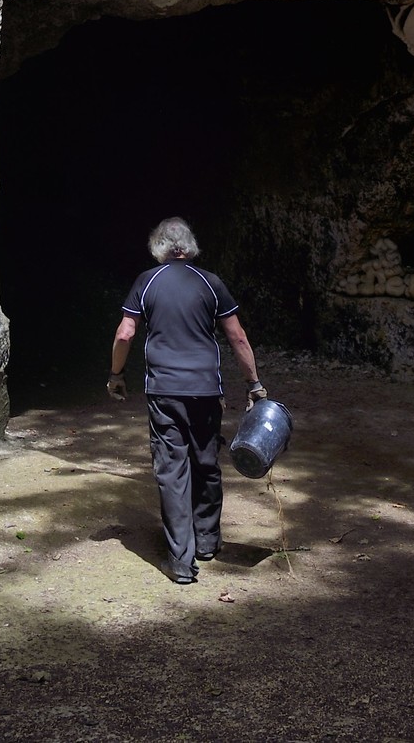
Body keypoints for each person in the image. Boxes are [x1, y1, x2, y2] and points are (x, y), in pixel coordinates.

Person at [107, 216, 265, 585]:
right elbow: (237, 338)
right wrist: (253, 383)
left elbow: (126, 332)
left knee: (172, 470)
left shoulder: (147, 282)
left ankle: (181, 561)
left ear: (158, 246)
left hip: (163, 390)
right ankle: (208, 541)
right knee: (206, 460)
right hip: (206, 389)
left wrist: (116, 375)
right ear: (189, 245)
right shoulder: (211, 283)